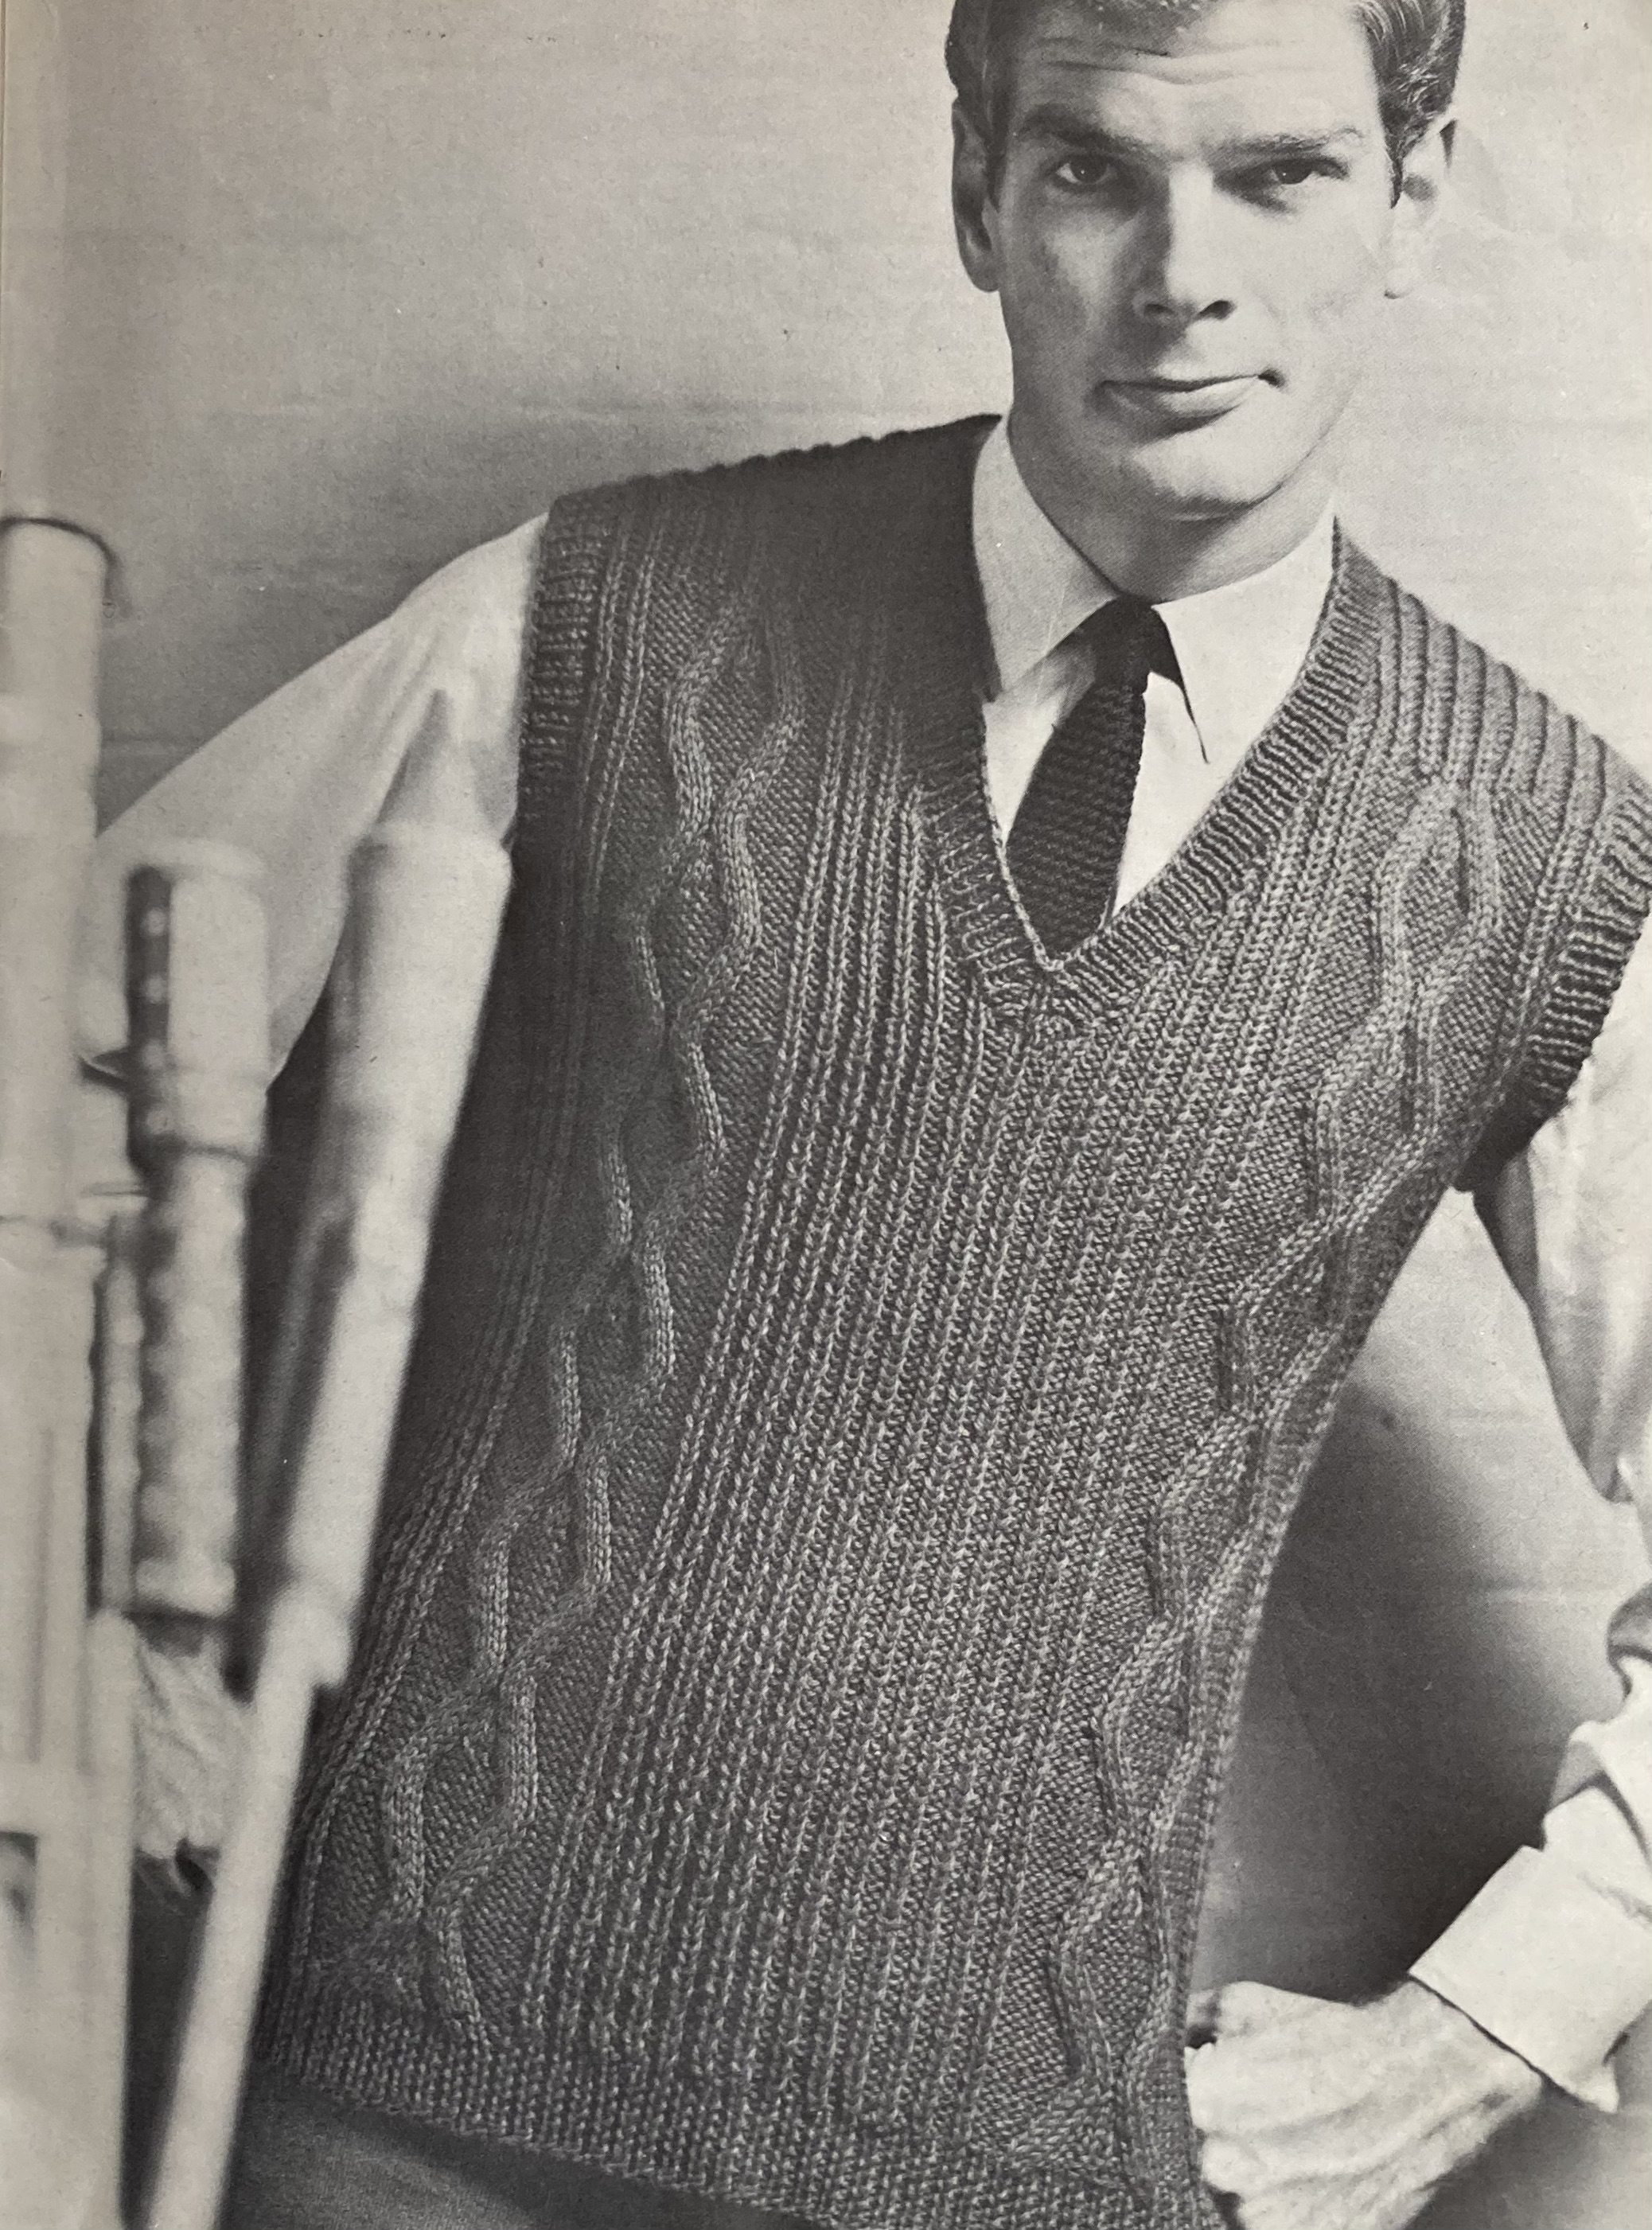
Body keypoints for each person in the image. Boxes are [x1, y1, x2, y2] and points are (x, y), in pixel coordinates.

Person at [80, 2, 1652, 2226]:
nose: (1182, 278)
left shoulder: (1541, 859)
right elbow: (60, 1059)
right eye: (1094, 170)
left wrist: (1480, 2033)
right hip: (390, 2114)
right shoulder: (596, 616)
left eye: (1281, 175)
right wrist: (96, 1636)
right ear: (974, 187)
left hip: (1011, 2171)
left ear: (1414, 193)